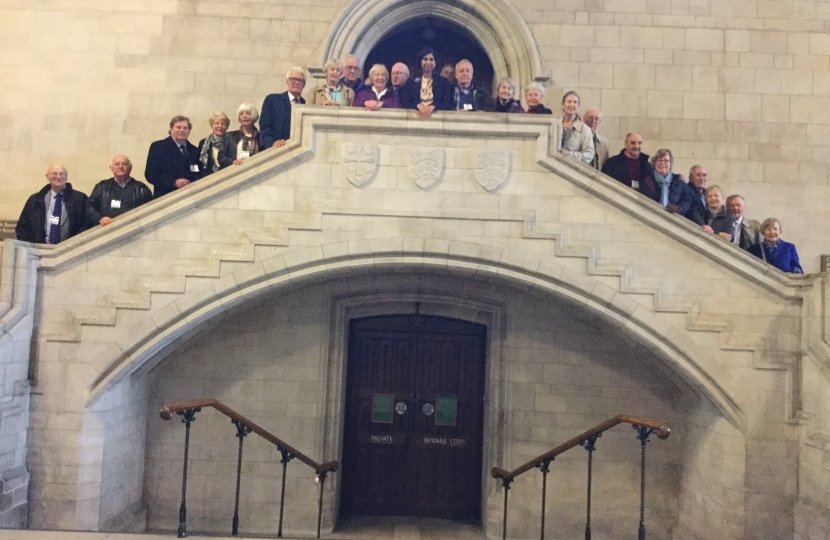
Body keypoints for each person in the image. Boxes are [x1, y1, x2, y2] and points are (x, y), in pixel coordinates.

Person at [15, 164, 93, 244]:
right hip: (40, 250)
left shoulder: (80, 199)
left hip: (69, 250)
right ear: (47, 177)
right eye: (54, 173)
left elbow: (87, 224)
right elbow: (23, 227)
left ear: (66, 177)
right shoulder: (35, 200)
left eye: (61, 174)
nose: (58, 177)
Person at [145, 115, 202, 199]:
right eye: (178, 127)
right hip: (165, 198)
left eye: (185, 128)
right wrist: (174, 183)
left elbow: (197, 172)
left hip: (188, 198)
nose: (182, 130)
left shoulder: (194, 150)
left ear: (189, 131)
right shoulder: (158, 147)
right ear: (171, 129)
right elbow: (150, 174)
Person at [88, 155, 152, 225]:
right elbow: (89, 206)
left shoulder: (141, 189)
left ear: (130, 168)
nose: (120, 167)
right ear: (111, 168)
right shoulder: (101, 187)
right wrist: (100, 218)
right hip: (106, 230)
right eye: (117, 164)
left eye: (124, 164)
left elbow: (149, 212)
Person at [260, 67, 306, 149]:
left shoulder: (306, 105)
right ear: (287, 82)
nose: (296, 82)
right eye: (293, 79)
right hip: (277, 150)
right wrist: (272, 142)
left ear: (304, 85)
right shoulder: (273, 100)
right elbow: (265, 126)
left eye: (300, 80)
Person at [638, 148, 694, 216]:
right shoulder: (646, 182)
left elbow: (687, 200)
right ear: (654, 163)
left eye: (666, 161)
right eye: (659, 160)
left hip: (674, 220)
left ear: (670, 164)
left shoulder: (679, 182)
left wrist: (679, 209)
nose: (662, 163)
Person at [400, 47, 453, 117]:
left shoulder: (443, 82)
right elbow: (405, 102)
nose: (428, 62)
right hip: (416, 117)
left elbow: (447, 103)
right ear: (420, 62)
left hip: (437, 118)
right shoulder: (411, 82)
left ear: (435, 63)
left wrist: (433, 107)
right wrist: (418, 106)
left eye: (431, 59)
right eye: (425, 59)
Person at [552, 91, 594, 165]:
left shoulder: (584, 129)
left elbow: (589, 154)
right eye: (569, 101)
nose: (572, 105)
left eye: (575, 102)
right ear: (563, 105)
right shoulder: (553, 125)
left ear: (578, 106)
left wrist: (571, 155)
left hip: (573, 170)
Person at [218, 103, 261, 168]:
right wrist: (233, 162)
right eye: (241, 114)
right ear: (239, 118)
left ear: (254, 116)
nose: (244, 116)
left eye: (248, 113)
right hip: (234, 172)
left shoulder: (261, 137)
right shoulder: (229, 136)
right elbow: (221, 157)